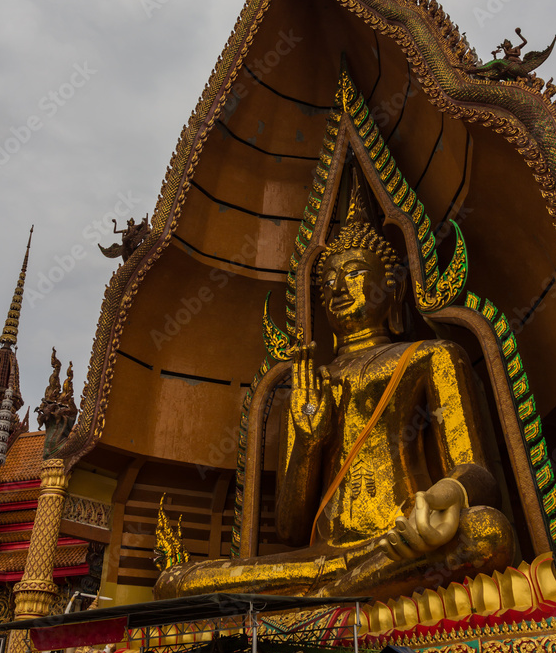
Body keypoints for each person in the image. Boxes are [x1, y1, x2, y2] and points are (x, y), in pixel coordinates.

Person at [155, 182, 514, 603]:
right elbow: (289, 529)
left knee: (486, 531)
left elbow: (479, 474)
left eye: (356, 272)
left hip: (399, 545)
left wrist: (440, 499)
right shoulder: (310, 385)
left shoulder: (431, 356)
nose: (339, 288)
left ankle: (321, 602)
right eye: (328, 281)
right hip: (319, 559)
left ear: (394, 289)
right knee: (176, 582)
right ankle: (341, 593)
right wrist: (309, 440)